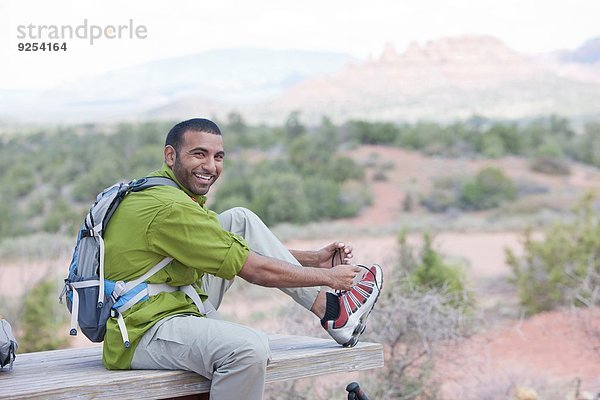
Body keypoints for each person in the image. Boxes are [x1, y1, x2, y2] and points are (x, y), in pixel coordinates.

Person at [102, 118, 383, 399]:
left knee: (239, 220)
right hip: (142, 330)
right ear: (170, 155)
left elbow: (226, 248)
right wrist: (328, 277)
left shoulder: (165, 191)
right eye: (199, 154)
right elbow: (253, 269)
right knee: (248, 349)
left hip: (174, 300)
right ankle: (333, 311)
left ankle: (336, 315)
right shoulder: (169, 207)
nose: (210, 166)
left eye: (218, 157)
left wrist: (313, 260)